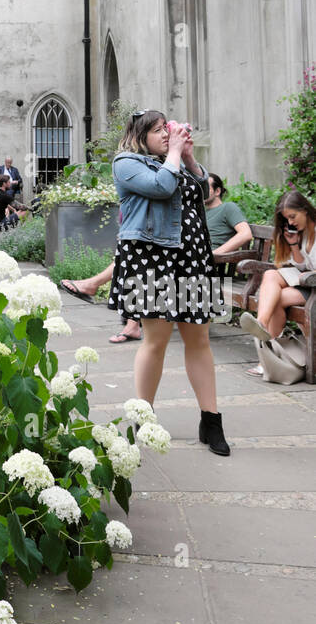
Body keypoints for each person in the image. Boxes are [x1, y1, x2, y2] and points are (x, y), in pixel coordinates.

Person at [107, 110, 229, 456]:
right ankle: (144, 417)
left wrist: (188, 157)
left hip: (191, 258)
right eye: (159, 131)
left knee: (199, 338)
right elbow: (161, 187)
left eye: (167, 130)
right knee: (156, 340)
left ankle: (211, 420)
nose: (166, 135)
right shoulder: (127, 163)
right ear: (141, 135)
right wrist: (175, 153)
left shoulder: (173, 160)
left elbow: (204, 192)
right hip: (150, 260)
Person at [239, 190, 316, 345]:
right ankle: (260, 323)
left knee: (275, 299)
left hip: (313, 285)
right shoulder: (300, 233)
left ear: (305, 210)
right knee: (270, 275)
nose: (291, 222)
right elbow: (301, 265)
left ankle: (269, 354)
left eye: (292, 216)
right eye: (287, 218)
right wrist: (293, 244)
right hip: (305, 282)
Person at [205, 174, 253, 273]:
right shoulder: (201, 212)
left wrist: (214, 254)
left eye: (205, 187)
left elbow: (246, 234)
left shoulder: (228, 208)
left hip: (209, 264)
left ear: (217, 191)